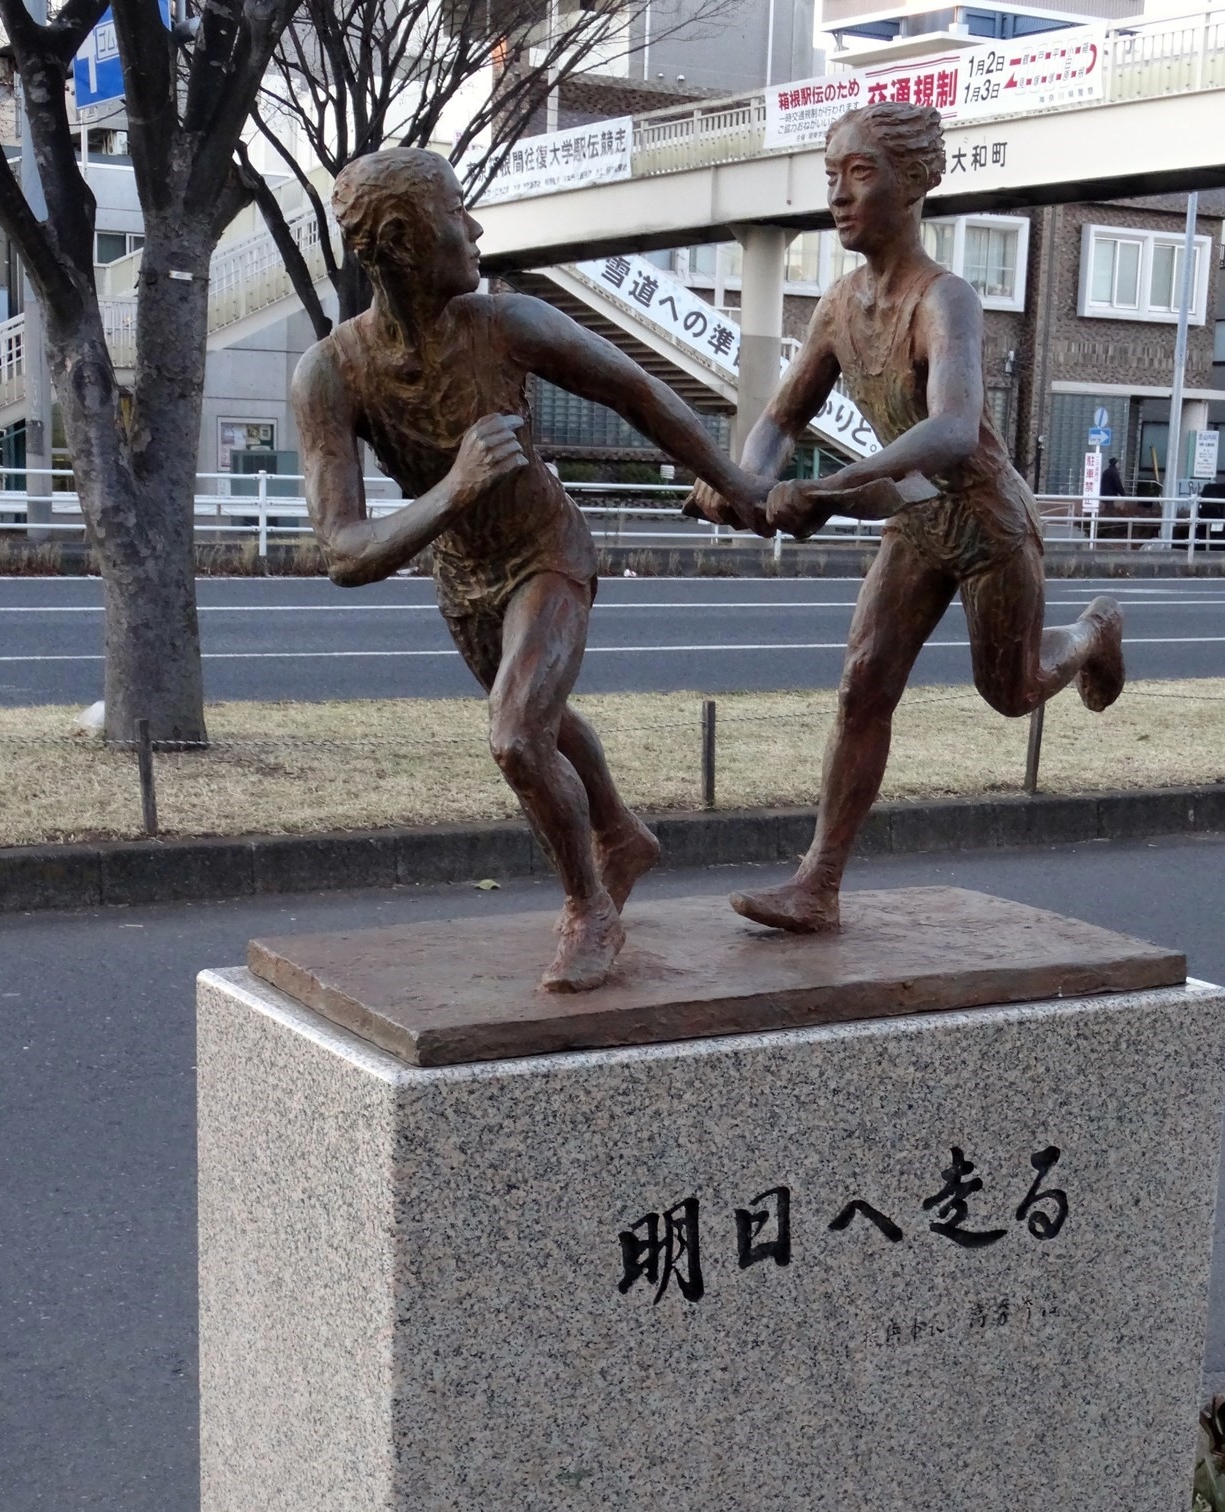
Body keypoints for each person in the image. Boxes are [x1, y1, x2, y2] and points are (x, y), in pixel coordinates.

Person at [293, 149, 769, 991]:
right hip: (461, 574)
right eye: (456, 213)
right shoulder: (330, 372)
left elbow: (640, 393)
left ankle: (590, 908)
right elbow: (342, 551)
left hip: (546, 548)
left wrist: (738, 486)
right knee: (537, 716)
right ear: (403, 242)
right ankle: (620, 831)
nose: (475, 229)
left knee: (517, 733)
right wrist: (454, 489)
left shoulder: (507, 323)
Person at [693, 100, 1126, 934]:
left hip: (987, 522)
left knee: (1012, 690)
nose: (839, 196)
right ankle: (816, 884)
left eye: (861, 175)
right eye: (832, 177)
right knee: (861, 688)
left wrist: (827, 489)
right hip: (918, 523)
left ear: (916, 185)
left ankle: (1094, 631)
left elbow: (953, 429)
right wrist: (749, 483)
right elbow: (782, 418)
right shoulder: (835, 307)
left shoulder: (945, 300)